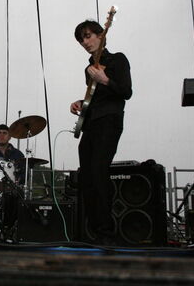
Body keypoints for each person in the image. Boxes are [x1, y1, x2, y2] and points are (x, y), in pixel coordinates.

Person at [69, 19, 132, 241]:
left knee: (98, 171)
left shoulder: (118, 59)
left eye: (88, 36)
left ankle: (106, 231)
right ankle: (92, 230)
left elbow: (126, 91)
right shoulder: (88, 69)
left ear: (100, 35)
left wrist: (104, 79)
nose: (85, 42)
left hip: (110, 121)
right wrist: (80, 103)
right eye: (81, 39)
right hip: (91, 124)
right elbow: (94, 98)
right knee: (86, 176)